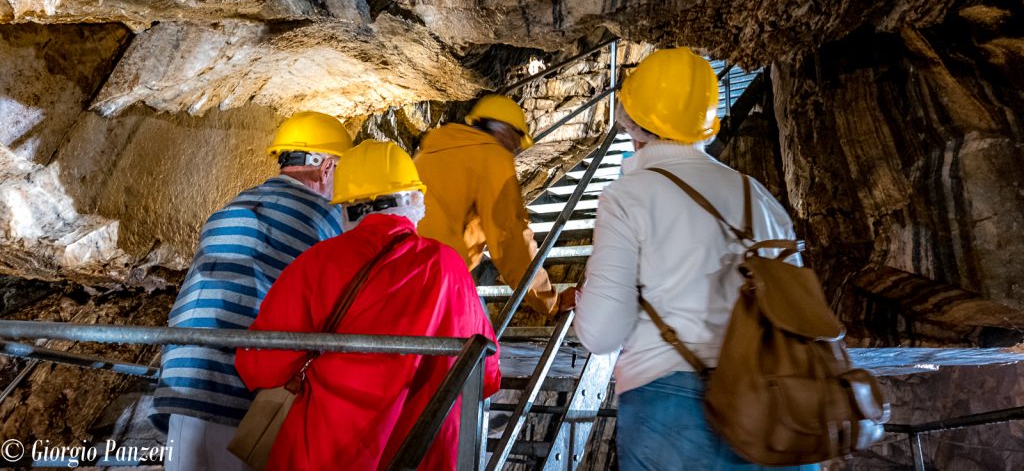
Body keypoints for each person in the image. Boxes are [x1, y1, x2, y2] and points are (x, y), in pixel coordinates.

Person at [573, 48, 818, 471]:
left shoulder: (626, 197)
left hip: (672, 409)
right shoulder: (758, 197)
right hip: (777, 403)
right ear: (706, 127)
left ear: (632, 123)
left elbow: (600, 334)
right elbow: (796, 309)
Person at [235, 140, 501, 470]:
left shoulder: (316, 263)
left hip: (321, 454)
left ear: (346, 207)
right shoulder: (448, 267)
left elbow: (259, 365)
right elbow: (487, 376)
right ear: (414, 201)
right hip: (422, 456)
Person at [151, 111, 352, 471]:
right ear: (326, 168)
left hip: (181, 375)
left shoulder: (236, 205)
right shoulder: (323, 220)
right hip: (239, 387)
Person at [415, 94, 574, 316]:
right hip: (440, 277)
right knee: (481, 344)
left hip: (405, 269)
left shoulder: (431, 151)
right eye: (516, 144)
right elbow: (509, 235)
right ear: (505, 131)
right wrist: (549, 301)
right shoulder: (492, 155)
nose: (515, 152)